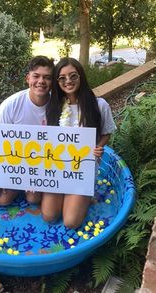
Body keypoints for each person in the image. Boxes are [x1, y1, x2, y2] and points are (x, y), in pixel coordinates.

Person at [42, 57, 116, 229]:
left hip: (83, 169)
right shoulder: (54, 106)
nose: (68, 81)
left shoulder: (99, 105)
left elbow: (106, 133)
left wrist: (99, 146)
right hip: (59, 168)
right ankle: (72, 196)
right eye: (62, 78)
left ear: (81, 76)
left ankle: (82, 196)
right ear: (57, 81)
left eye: (73, 76)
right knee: (49, 215)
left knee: (70, 222)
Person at [0, 55, 54, 206]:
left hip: (44, 162)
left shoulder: (59, 105)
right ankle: (20, 186)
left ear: (52, 82)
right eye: (36, 76)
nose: (41, 81)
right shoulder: (10, 105)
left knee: (34, 199)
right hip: (16, 162)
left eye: (47, 77)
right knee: (1, 200)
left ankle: (29, 189)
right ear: (28, 78)